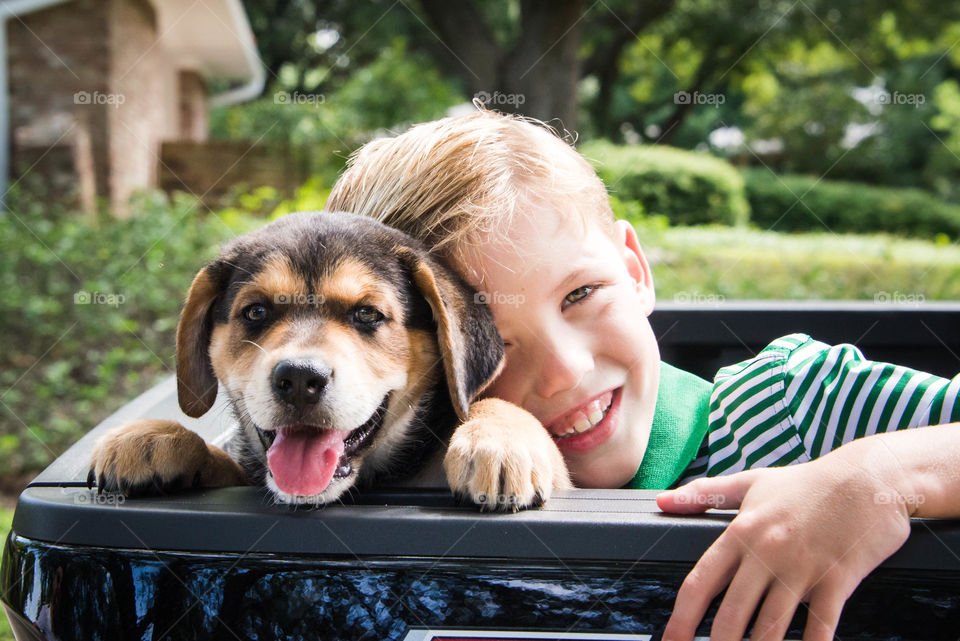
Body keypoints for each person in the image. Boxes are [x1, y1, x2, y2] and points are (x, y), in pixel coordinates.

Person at [326, 108, 960, 641]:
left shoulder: (793, 405)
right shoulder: (402, 495)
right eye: (488, 343)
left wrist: (882, 478)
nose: (564, 372)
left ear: (634, 269)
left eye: (582, 294)